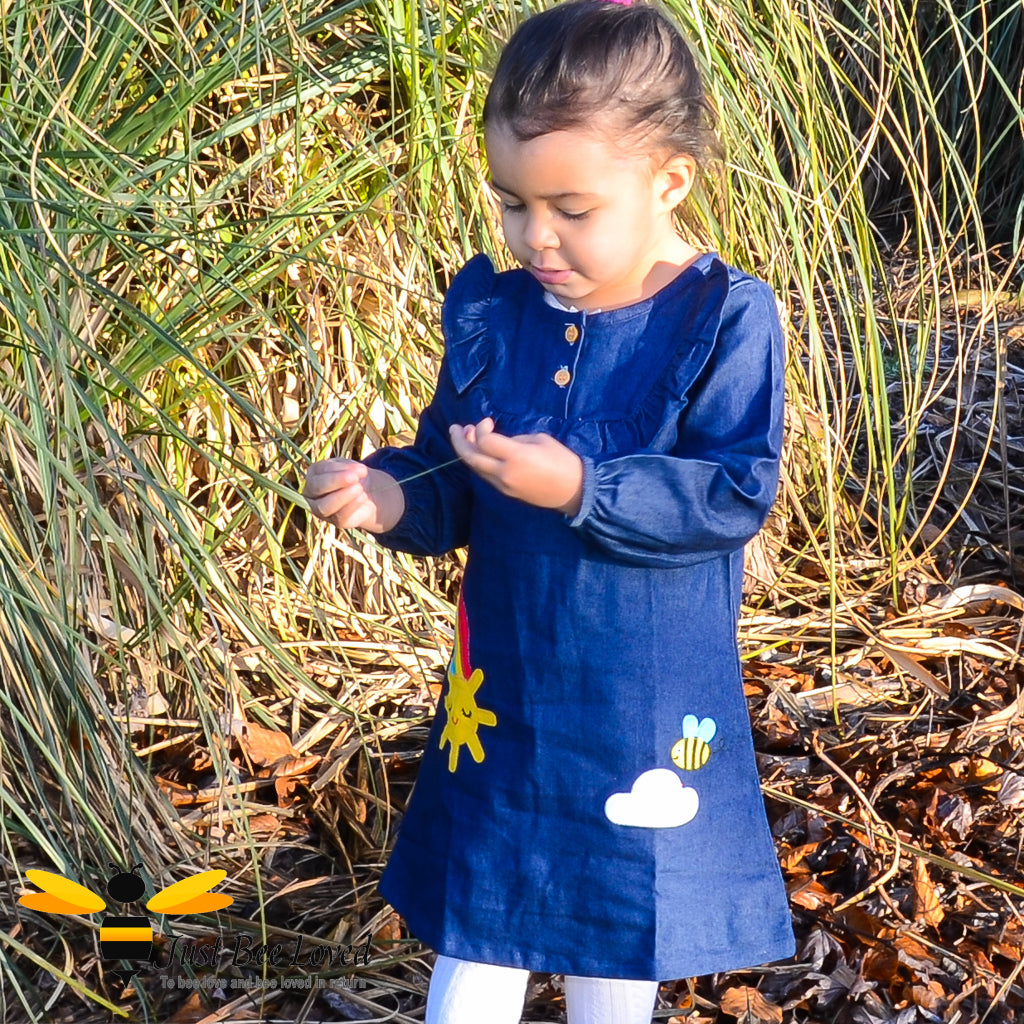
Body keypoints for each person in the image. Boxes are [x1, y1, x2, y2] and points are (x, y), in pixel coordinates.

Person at [303, 1, 795, 1021]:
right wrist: (392, 492)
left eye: (572, 207)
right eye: (512, 203)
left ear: (668, 178)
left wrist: (582, 486)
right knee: (486, 913)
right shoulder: (498, 312)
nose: (536, 237)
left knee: (620, 928)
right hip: (509, 697)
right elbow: (451, 466)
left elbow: (731, 491)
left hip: (640, 708)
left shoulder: (722, 317)